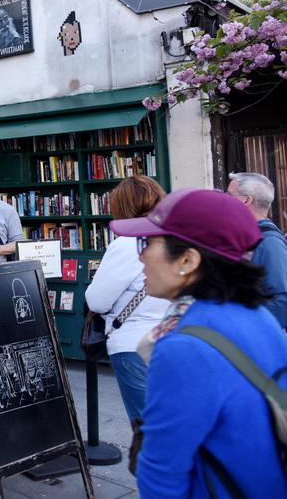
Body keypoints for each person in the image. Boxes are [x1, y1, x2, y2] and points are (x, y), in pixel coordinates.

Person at [111, 188, 287, 497]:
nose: (141, 256)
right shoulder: (256, 314)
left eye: (147, 243)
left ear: (188, 260)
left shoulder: (184, 347)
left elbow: (161, 472)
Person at [83, 176, 170, 423]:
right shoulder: (178, 238)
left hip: (136, 344)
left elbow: (98, 301)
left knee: (149, 428)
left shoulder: (126, 244)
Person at [227, 172, 287, 328]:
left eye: (229, 195)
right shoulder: (250, 237)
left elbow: (283, 302)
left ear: (247, 200)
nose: (225, 200)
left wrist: (240, 321)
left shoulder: (270, 243)